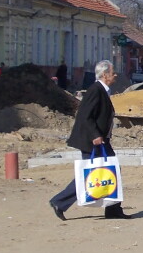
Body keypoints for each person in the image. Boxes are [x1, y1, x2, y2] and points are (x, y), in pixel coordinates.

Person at [49, 60, 131, 220]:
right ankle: (59, 201)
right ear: (105, 75)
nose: (115, 75)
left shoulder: (103, 90)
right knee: (92, 173)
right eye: (113, 72)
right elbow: (84, 116)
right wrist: (95, 135)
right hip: (91, 140)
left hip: (101, 139)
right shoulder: (96, 90)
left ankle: (113, 209)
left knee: (112, 170)